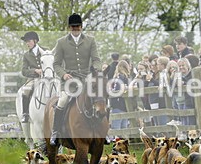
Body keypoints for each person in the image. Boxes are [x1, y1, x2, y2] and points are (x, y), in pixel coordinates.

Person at [50, 13, 102, 145]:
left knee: (100, 100)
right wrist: (63, 74)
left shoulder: (90, 40)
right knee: (63, 100)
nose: (76, 29)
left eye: (78, 26)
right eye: (73, 27)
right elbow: (56, 64)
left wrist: (95, 69)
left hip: (86, 79)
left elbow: (96, 60)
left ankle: (103, 132)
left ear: (81, 26)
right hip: (70, 80)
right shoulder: (61, 42)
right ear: (69, 27)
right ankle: (55, 132)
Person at [18, 31, 48, 123]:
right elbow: (24, 71)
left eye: (29, 41)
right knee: (25, 91)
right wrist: (35, 71)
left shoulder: (46, 50)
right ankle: (25, 114)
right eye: (26, 42)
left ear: (35, 41)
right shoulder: (26, 55)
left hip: (48, 77)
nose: (27, 43)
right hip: (34, 79)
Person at [109, 60, 131, 130]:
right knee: (122, 128)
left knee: (117, 128)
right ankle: (123, 141)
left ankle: (119, 141)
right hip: (123, 105)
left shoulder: (118, 77)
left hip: (117, 105)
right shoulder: (124, 77)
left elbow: (115, 90)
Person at [175, 58, 195, 126]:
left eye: (183, 65)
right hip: (181, 101)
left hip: (190, 101)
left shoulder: (192, 74)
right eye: (179, 66)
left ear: (188, 65)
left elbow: (194, 84)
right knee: (183, 122)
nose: (181, 67)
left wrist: (184, 83)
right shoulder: (178, 76)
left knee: (190, 122)